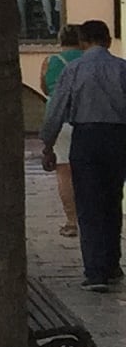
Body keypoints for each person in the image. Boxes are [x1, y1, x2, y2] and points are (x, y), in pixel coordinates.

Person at [44, 20, 126, 288]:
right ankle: (112, 263)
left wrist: (48, 142)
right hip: (117, 137)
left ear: (82, 42)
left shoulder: (75, 70)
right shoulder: (122, 68)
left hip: (86, 137)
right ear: (108, 41)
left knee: (89, 204)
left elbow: (57, 107)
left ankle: (95, 272)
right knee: (112, 200)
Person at [48, 22, 87, 237]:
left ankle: (72, 221)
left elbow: (46, 88)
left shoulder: (52, 61)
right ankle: (89, 216)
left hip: (61, 121)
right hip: (86, 120)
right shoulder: (87, 61)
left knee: (64, 172)